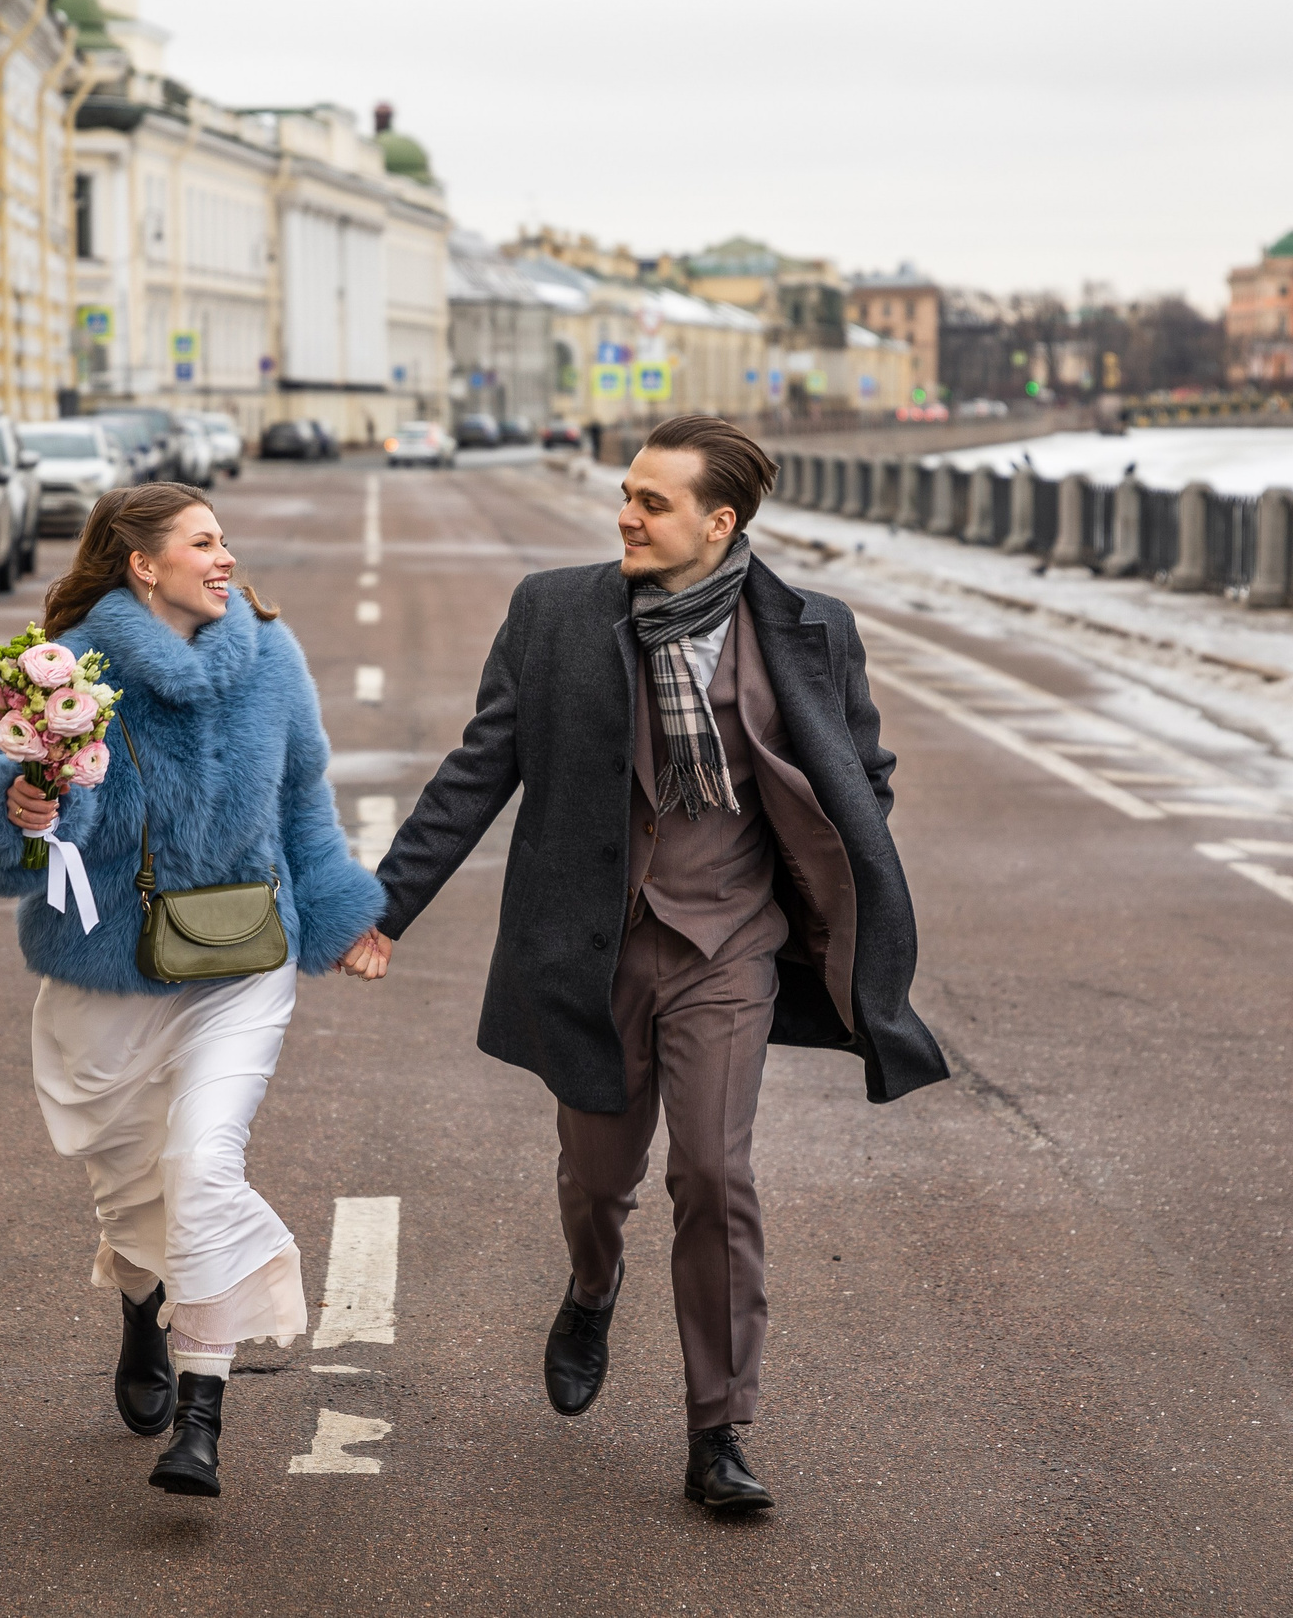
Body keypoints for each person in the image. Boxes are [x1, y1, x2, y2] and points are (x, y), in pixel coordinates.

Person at [341, 415, 947, 1513]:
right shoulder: (556, 613)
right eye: (625, 493)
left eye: (652, 502)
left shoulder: (810, 630)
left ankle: (718, 1431)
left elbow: (863, 774)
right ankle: (590, 1282)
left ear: (720, 524)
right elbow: (478, 770)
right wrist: (381, 909)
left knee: (713, 1174)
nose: (625, 513)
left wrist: (829, 870)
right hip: (593, 945)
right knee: (597, 1179)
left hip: (730, 944)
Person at [0, 481, 383, 1499]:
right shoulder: (59, 677)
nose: (226, 558)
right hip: (105, 973)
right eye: (203, 542)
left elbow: (304, 804)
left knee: (201, 1164)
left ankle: (203, 1416)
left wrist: (342, 914)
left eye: (224, 539)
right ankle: (141, 1301)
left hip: (239, 959)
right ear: (143, 564)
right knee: (137, 1192)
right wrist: (26, 810)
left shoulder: (271, 657)